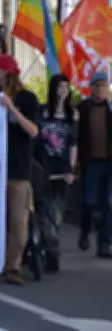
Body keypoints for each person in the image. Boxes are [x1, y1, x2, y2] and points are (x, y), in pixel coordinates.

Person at [0, 54, 39, 285]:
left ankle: (14, 265)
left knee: (18, 222)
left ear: (7, 74)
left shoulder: (27, 99)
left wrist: (11, 109)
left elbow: (33, 131)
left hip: (18, 171)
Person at [37, 73, 77, 269]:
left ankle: (52, 248)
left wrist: (71, 168)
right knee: (43, 209)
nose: (64, 91)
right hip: (45, 166)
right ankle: (43, 244)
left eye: (66, 87)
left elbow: (73, 143)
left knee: (57, 210)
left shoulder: (71, 115)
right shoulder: (43, 111)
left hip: (62, 168)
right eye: (60, 87)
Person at [77, 71, 112, 258]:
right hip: (91, 162)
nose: (100, 89)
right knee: (88, 201)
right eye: (97, 85)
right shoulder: (83, 108)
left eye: (104, 85)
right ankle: (84, 232)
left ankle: (104, 244)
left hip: (109, 162)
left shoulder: (110, 109)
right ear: (91, 88)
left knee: (109, 203)